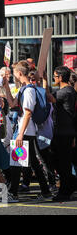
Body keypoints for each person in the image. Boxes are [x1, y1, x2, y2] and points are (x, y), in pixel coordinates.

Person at [2, 61, 52, 202]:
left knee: (17, 162)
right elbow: (12, 104)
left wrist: (20, 134)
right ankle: (46, 192)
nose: (13, 76)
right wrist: (6, 86)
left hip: (25, 132)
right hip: (25, 132)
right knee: (31, 163)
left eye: (14, 74)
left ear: (19, 73)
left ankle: (14, 193)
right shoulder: (23, 89)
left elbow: (28, 113)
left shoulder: (29, 90)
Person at [51, 66, 77, 201]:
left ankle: (65, 192)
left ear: (61, 78)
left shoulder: (66, 92)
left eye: (54, 76)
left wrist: (43, 81)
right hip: (61, 132)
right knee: (57, 161)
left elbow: (49, 98)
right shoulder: (67, 90)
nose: (53, 78)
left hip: (64, 133)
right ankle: (71, 184)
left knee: (63, 164)